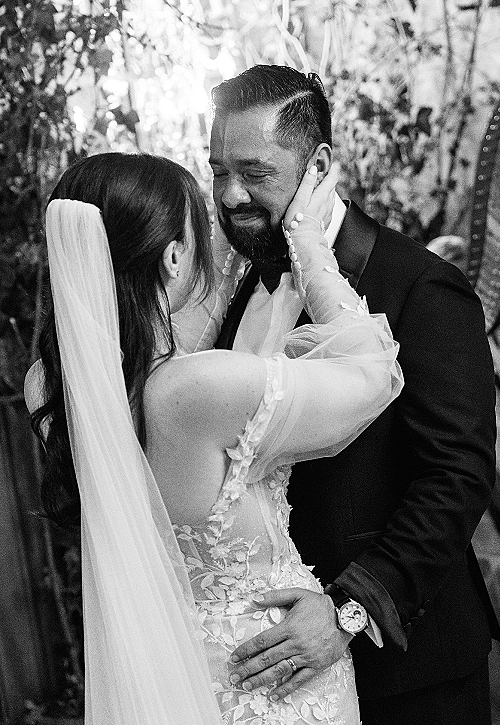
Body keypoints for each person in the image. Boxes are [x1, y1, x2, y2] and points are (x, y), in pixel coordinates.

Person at [24, 152, 403, 725]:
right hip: (276, 690)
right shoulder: (197, 390)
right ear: (174, 257)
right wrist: (308, 244)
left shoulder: (52, 384)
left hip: (166, 682)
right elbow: (372, 372)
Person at [189, 65, 500, 725]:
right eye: (218, 172)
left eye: (254, 172)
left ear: (319, 165)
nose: (231, 194)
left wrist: (347, 611)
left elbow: (456, 477)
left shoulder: (420, 288)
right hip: (279, 683)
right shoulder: (243, 285)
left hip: (409, 678)